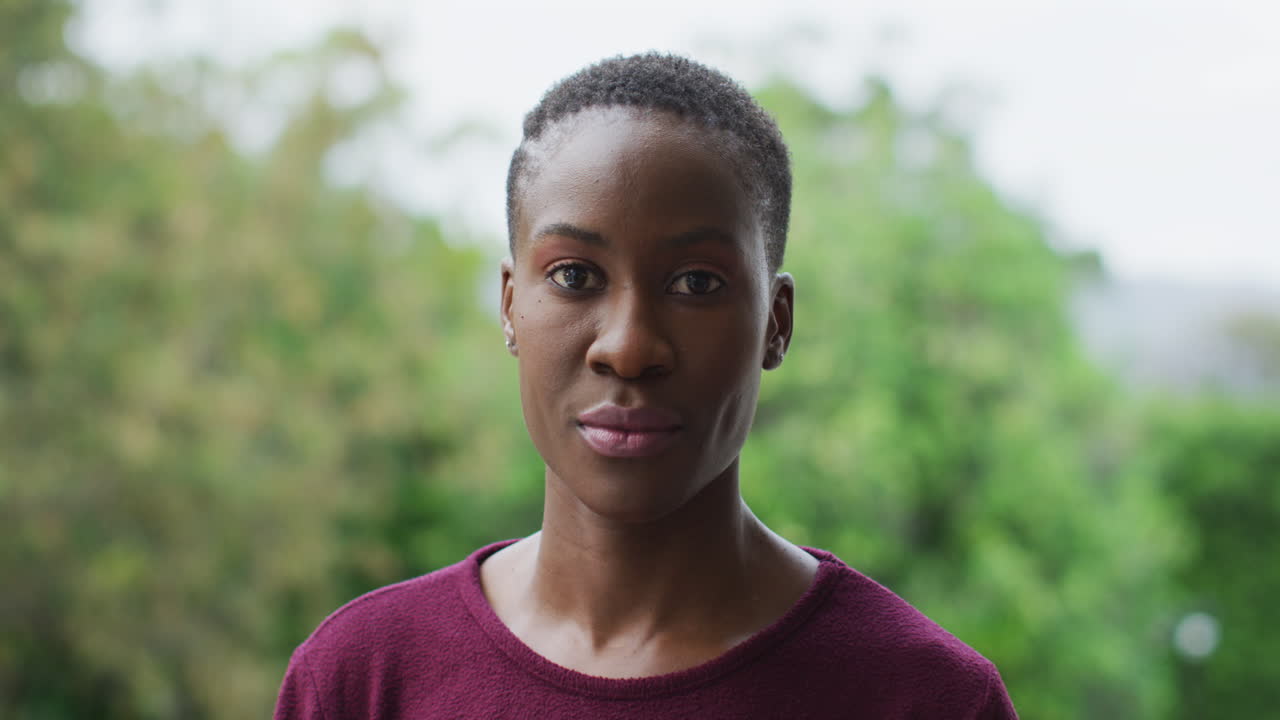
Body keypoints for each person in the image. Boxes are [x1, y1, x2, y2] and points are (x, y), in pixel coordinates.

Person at [274, 53, 1018, 719]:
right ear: (509, 306)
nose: (628, 346)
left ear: (776, 323)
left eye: (696, 282)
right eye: (573, 277)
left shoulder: (927, 698)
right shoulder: (362, 681)